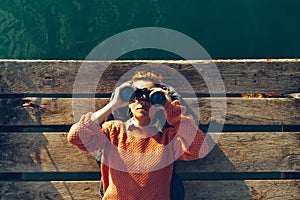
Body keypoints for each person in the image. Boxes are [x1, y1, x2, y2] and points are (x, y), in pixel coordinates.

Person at [68, 70, 208, 200]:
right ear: (128, 103)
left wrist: (170, 107)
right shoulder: (113, 131)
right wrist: (112, 105)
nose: (142, 101)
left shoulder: (167, 138)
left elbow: (198, 148)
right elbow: (76, 136)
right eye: (135, 96)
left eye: (150, 97)